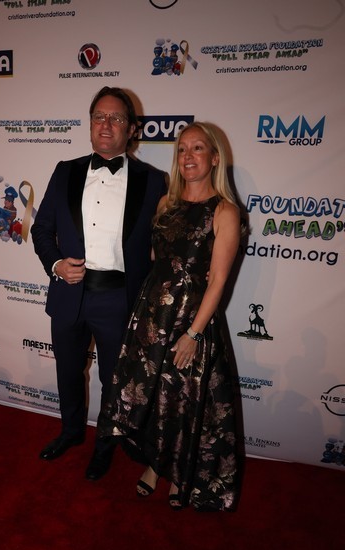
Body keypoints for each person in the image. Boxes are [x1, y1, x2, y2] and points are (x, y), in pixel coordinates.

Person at [98, 121, 243, 511]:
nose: (188, 156)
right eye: (182, 149)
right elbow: (155, 258)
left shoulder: (224, 211)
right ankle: (154, 466)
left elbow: (219, 281)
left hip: (192, 321)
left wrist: (193, 335)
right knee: (154, 398)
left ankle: (180, 475)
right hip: (152, 315)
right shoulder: (166, 204)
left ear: (215, 158)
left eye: (198, 148)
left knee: (183, 399)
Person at [31, 86, 167, 480]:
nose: (106, 124)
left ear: (131, 129)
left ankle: (105, 445)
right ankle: (71, 431)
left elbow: (165, 240)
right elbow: (42, 229)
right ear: (90, 124)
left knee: (113, 378)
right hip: (69, 292)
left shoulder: (153, 180)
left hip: (120, 299)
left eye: (116, 118)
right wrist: (56, 264)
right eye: (99, 117)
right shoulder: (65, 170)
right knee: (68, 371)